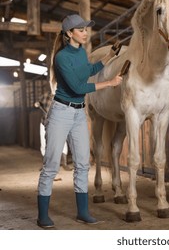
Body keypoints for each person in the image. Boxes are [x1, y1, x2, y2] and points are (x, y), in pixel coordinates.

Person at [36, 14, 123, 228]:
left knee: (83, 163)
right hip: (61, 113)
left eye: (86, 29)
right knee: (51, 165)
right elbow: (77, 87)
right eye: (81, 29)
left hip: (78, 113)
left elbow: (89, 71)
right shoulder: (62, 57)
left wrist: (110, 56)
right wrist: (110, 83)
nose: (85, 32)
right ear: (69, 33)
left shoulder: (82, 53)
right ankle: (42, 216)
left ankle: (82, 212)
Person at [35, 87, 72, 171]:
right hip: (44, 122)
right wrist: (37, 103)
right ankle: (45, 164)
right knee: (44, 143)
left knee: (62, 142)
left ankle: (64, 163)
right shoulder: (46, 95)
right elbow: (38, 102)